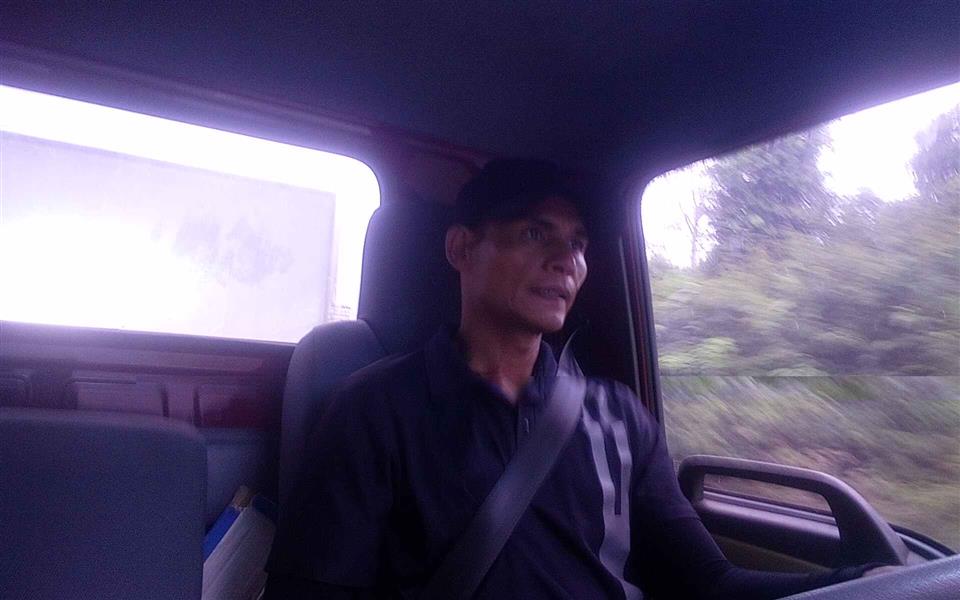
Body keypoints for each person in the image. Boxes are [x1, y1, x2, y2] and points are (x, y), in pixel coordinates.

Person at [266, 159, 884, 599]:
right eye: (535, 233)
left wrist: (864, 583)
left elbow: (709, 582)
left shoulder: (619, 417)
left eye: (579, 243)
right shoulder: (373, 411)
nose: (567, 261)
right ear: (461, 249)